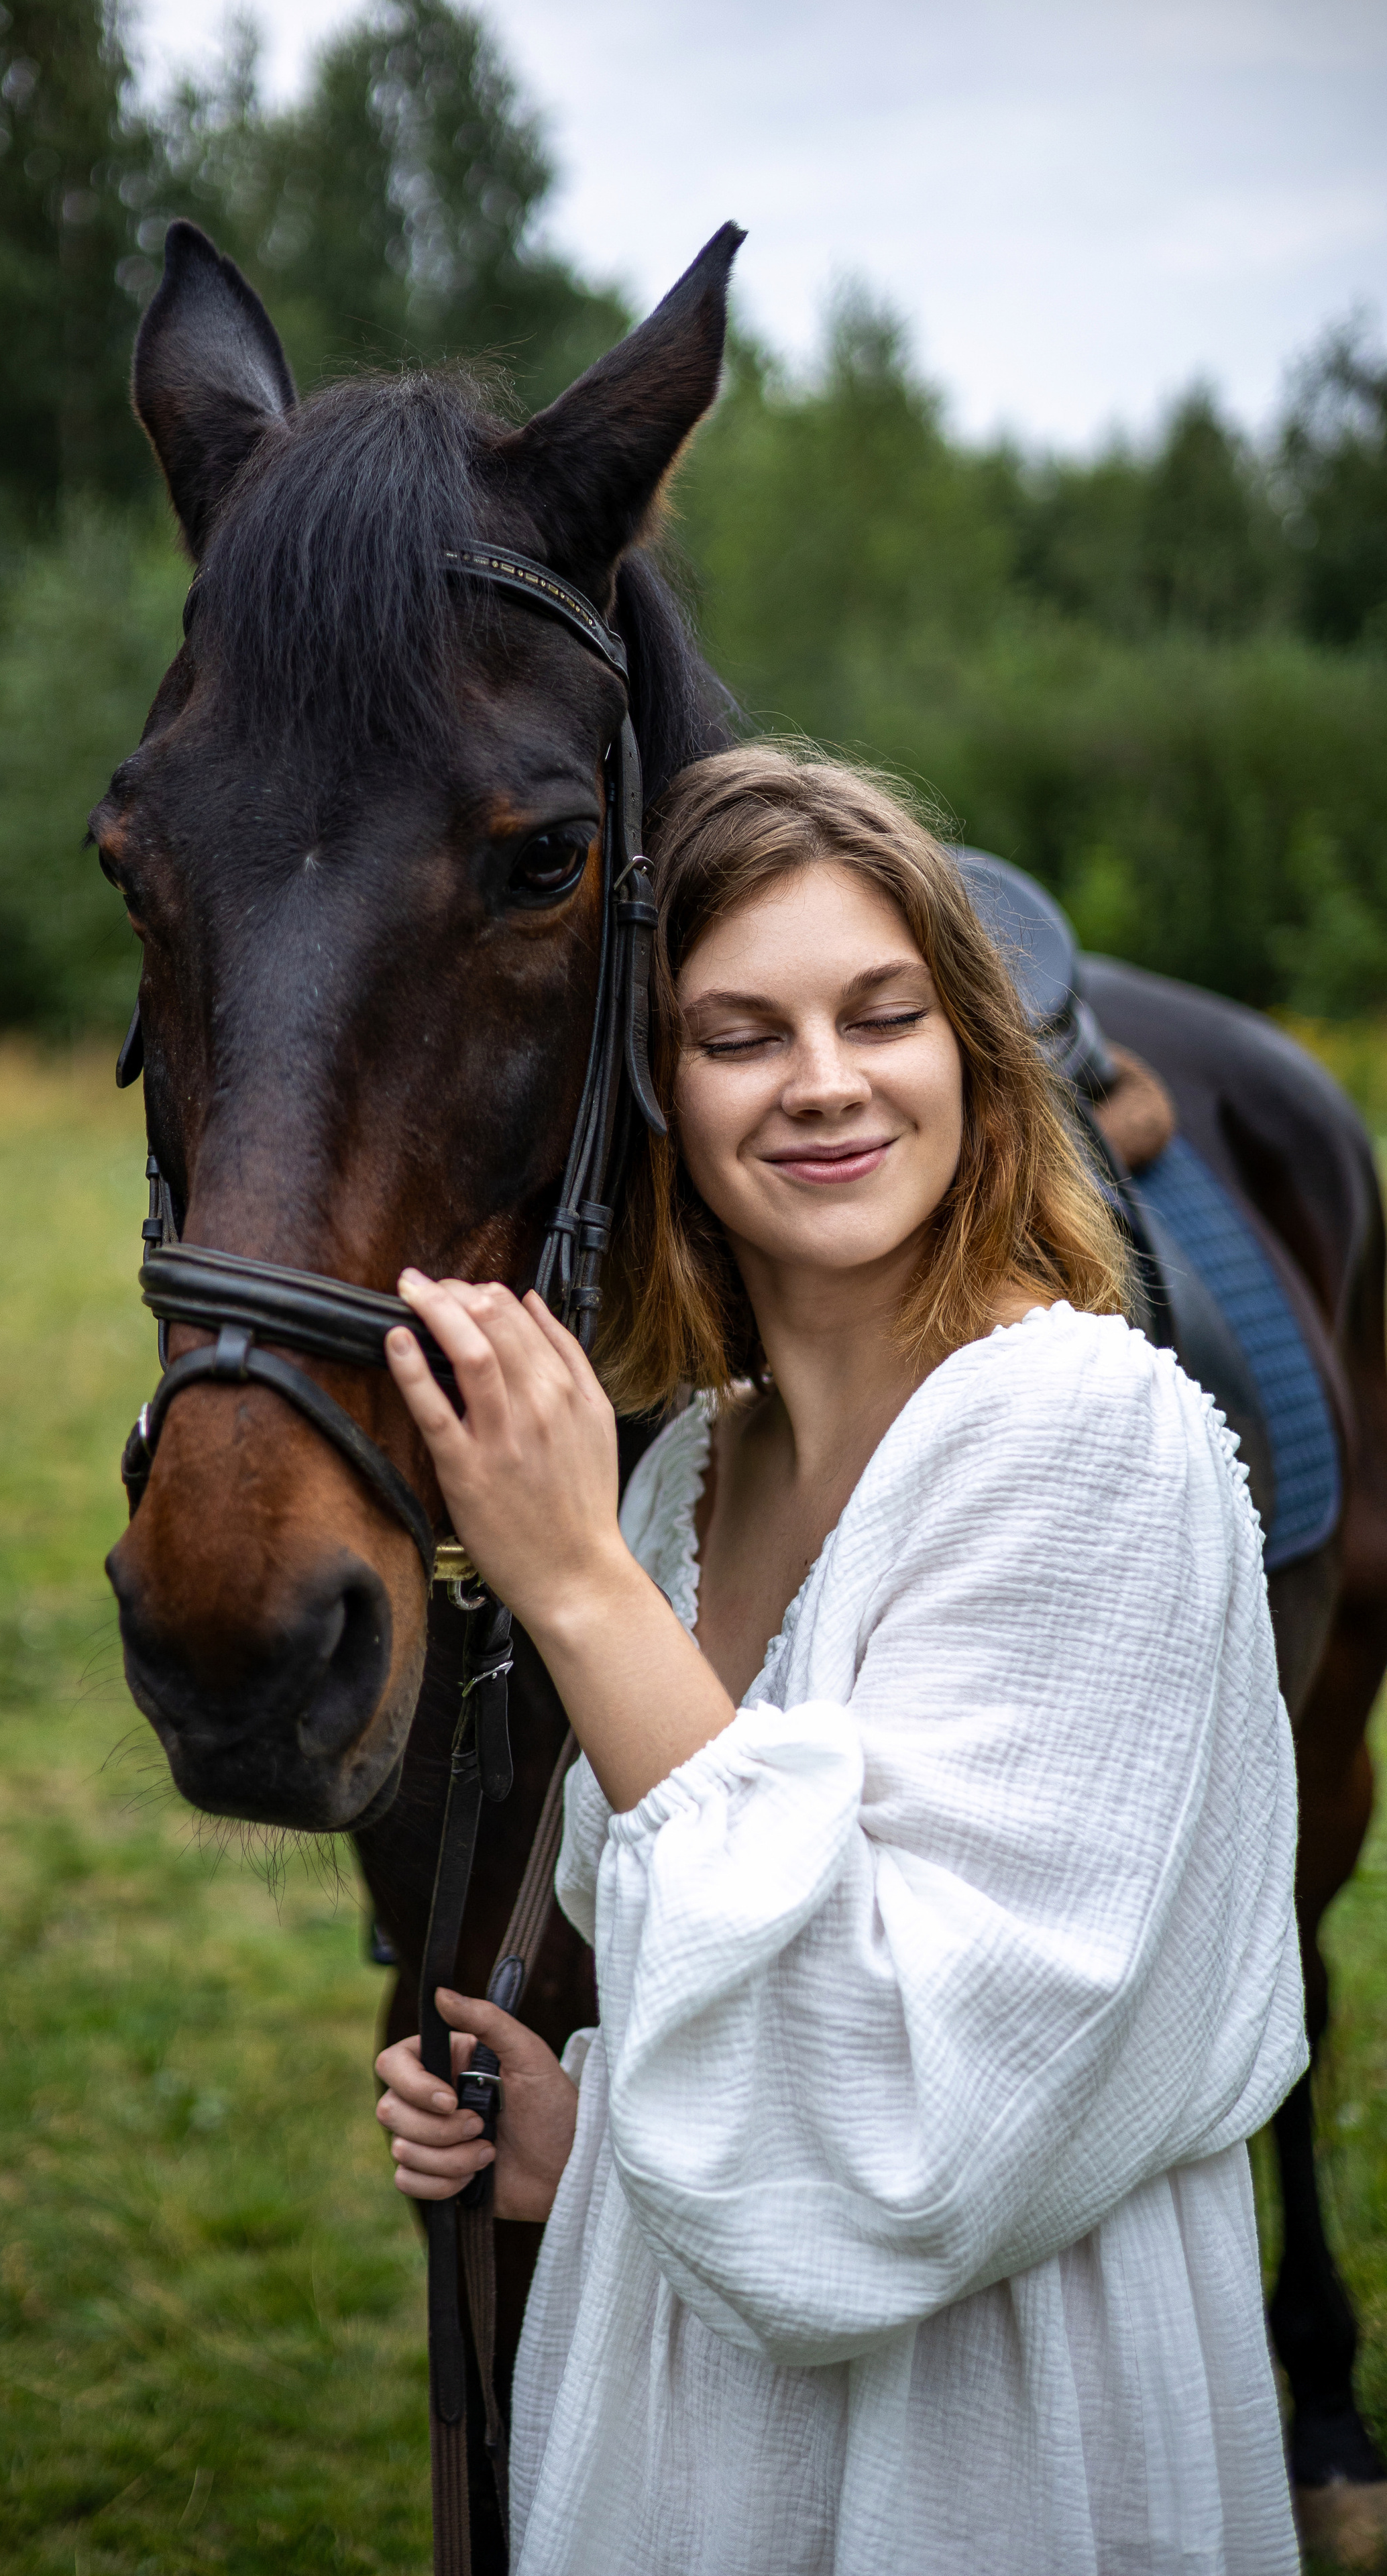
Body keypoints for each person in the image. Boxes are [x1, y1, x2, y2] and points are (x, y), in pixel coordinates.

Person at [376, 745, 1305, 2576]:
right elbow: (758, 2008)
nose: (823, 1081)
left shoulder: (1085, 1436)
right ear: (656, 1097)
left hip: (998, 2432)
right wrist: (596, 2138)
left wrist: (574, 1587)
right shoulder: (685, 1478)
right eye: (739, 1037)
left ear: (970, 1052)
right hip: (697, 2427)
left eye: (882, 1017)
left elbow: (920, 2116)